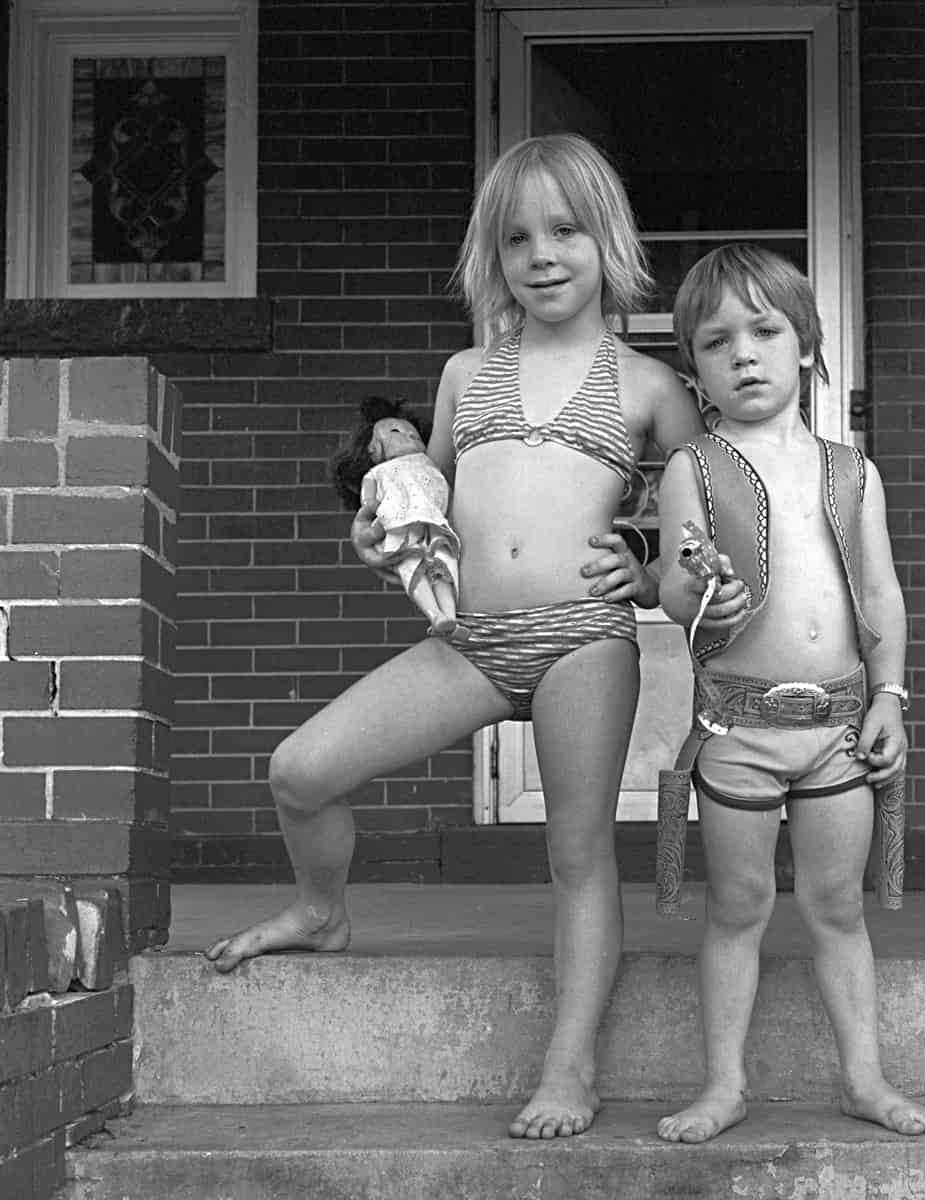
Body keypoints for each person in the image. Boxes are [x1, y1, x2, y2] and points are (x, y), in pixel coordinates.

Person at [203, 133, 705, 1140]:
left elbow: (709, 533)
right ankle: (321, 909)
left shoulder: (652, 389)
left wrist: (645, 571)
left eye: (566, 230)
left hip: (582, 640)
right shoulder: (465, 372)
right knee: (300, 771)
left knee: (576, 853)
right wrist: (380, 533)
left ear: (607, 240)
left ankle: (570, 1069)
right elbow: (423, 493)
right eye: (517, 237)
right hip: (471, 638)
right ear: (493, 255)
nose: (543, 254)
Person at [653, 243, 925, 1143]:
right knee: (737, 906)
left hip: (838, 728)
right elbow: (672, 582)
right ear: (694, 372)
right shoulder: (691, 468)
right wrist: (703, 591)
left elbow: (883, 592)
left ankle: (864, 1078)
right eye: (716, 341)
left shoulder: (852, 470)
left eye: (765, 330)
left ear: (808, 343)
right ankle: (723, 1084)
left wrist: (891, 695)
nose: (743, 352)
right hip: (737, 725)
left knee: (837, 905)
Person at [329, 396, 460, 637]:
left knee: (441, 564)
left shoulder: (428, 468)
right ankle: (437, 615)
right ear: (373, 448)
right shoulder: (379, 473)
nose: (409, 437)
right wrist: (373, 519)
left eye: (414, 434)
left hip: (437, 526)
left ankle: (448, 615)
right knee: (416, 565)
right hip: (405, 526)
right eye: (397, 432)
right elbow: (370, 504)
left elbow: (445, 491)